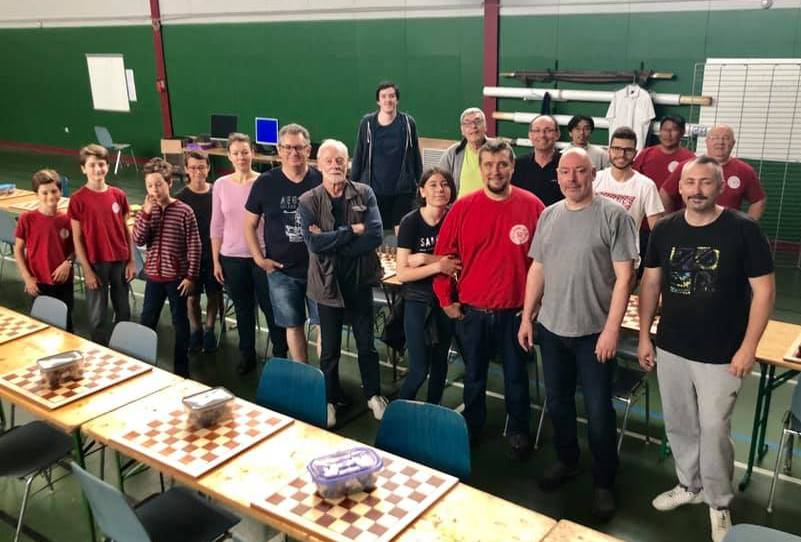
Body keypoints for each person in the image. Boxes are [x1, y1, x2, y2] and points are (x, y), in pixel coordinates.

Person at [638, 155, 774, 542]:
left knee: (714, 430)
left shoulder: (743, 230)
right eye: (690, 182)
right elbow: (651, 283)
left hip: (722, 353)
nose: (697, 190)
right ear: (679, 188)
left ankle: (718, 501)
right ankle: (689, 485)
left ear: (720, 187)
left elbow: (764, 292)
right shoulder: (665, 230)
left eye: (706, 183)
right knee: (680, 424)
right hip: (673, 347)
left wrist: (748, 347)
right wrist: (646, 335)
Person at [518, 148, 637, 520]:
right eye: (565, 172)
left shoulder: (614, 217)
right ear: (557, 176)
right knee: (558, 403)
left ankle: (604, 480)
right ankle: (567, 460)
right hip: (552, 329)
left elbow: (625, 279)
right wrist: (527, 317)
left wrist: (611, 330)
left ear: (593, 174)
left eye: (580, 171)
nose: (572, 179)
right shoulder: (549, 215)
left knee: (599, 412)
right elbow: (538, 268)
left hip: (593, 335)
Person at [433, 139, 545, 458]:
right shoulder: (462, 208)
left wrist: (535, 306)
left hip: (516, 314)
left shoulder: (533, 206)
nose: (496, 171)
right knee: (473, 376)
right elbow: (444, 257)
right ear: (480, 169)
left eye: (502, 164)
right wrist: (445, 299)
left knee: (516, 377)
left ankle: (519, 430)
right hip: (473, 312)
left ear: (512, 167)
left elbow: (545, 261)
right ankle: (472, 426)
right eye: (489, 165)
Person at [298, 139, 387, 428]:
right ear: (319, 164)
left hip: (360, 282)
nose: (335, 165)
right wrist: (351, 231)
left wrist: (332, 241)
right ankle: (329, 400)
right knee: (330, 350)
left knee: (366, 345)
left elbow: (375, 235)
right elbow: (313, 243)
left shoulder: (364, 193)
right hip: (327, 285)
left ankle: (373, 395)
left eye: (340, 160)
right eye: (329, 160)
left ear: (347, 163)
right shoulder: (308, 200)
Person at [210, 133, 288, 374]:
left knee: (271, 308)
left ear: (252, 153)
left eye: (245, 152)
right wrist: (216, 260)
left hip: (262, 257)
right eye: (236, 153)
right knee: (243, 310)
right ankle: (247, 355)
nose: (241, 157)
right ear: (229, 156)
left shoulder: (264, 182)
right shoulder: (221, 185)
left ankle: (280, 356)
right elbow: (217, 224)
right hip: (232, 258)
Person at [245, 123, 322, 363]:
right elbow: (249, 224)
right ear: (279, 150)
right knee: (293, 325)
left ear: (308, 149)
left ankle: (327, 379)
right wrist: (259, 259)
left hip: (319, 269)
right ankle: (303, 375)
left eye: (298, 147)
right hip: (282, 271)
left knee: (325, 326)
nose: (293, 153)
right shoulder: (265, 183)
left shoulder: (321, 180)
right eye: (287, 147)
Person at [395, 167, 460, 403]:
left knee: (440, 365)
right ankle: (399, 413)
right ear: (422, 191)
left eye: (445, 184)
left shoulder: (456, 218)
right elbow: (403, 273)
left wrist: (423, 258)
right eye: (433, 184)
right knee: (419, 369)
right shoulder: (411, 222)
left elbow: (458, 263)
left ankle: (433, 410)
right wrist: (438, 265)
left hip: (446, 301)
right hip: (418, 301)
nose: (439, 189)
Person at [133, 158, 201, 377]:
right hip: (154, 277)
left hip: (177, 279)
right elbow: (138, 239)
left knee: (180, 322)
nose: (155, 190)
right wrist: (145, 213)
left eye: (159, 184)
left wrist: (190, 276)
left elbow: (194, 245)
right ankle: (142, 363)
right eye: (150, 186)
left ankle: (181, 370)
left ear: (169, 183)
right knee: (147, 319)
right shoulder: (146, 211)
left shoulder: (184, 211)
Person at [69, 144, 136, 344]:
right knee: (98, 315)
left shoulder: (118, 195)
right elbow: (76, 238)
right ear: (83, 168)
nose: (98, 169)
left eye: (101, 164)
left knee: (123, 310)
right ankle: (99, 349)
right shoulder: (77, 199)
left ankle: (125, 347)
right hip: (96, 264)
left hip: (120, 261)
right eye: (92, 165)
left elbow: (126, 229)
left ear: (107, 165)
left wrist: (131, 261)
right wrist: (87, 270)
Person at [351, 81, 423, 233]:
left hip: (402, 192)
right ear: (378, 101)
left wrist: (421, 184)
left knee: (401, 233)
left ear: (397, 99)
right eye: (383, 96)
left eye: (391, 96)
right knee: (375, 233)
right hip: (373, 191)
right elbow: (359, 155)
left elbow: (416, 157)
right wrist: (352, 186)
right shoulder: (367, 124)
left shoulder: (408, 123)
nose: (388, 100)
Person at [659, 125, 766, 220]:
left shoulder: (745, 170)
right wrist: (671, 221)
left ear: (733, 143)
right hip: (691, 226)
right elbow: (665, 193)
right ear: (707, 142)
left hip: (727, 230)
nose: (720, 142)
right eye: (715, 138)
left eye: (726, 138)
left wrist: (747, 227)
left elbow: (758, 201)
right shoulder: (687, 167)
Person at [593, 126, 664, 266]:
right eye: (617, 149)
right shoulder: (594, 180)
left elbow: (658, 231)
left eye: (628, 150)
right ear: (609, 150)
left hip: (627, 259)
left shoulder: (646, 185)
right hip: (595, 257)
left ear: (635, 153)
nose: (622, 154)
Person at [14, 169, 74, 331]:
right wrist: (27, 278)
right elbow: (18, 250)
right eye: (45, 193)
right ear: (36, 194)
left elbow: (76, 249)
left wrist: (68, 263)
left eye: (54, 191)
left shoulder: (67, 220)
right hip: (37, 283)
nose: (50, 196)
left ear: (61, 191)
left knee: (65, 327)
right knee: (39, 327)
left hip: (63, 283)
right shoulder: (27, 219)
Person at [176, 151, 221, 353]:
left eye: (201, 167)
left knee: (214, 294)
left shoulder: (217, 193)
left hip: (213, 255)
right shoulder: (180, 198)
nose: (197, 172)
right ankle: (196, 330)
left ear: (208, 168)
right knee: (192, 298)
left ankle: (210, 329)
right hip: (190, 259)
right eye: (193, 168)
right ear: (186, 169)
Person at [511, 115, 564, 206]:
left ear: (557, 134)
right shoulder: (517, 165)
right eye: (537, 130)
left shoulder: (567, 165)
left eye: (548, 130)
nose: (542, 135)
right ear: (530, 135)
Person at [633, 115, 695, 189]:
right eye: (665, 130)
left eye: (673, 130)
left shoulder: (690, 159)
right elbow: (633, 179)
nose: (668, 134)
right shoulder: (645, 154)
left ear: (682, 132)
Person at [438, 107, 488, 198]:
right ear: (462, 130)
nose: (473, 126)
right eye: (467, 123)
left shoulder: (498, 150)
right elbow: (440, 182)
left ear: (485, 126)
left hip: (491, 206)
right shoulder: (452, 153)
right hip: (460, 206)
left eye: (477, 121)